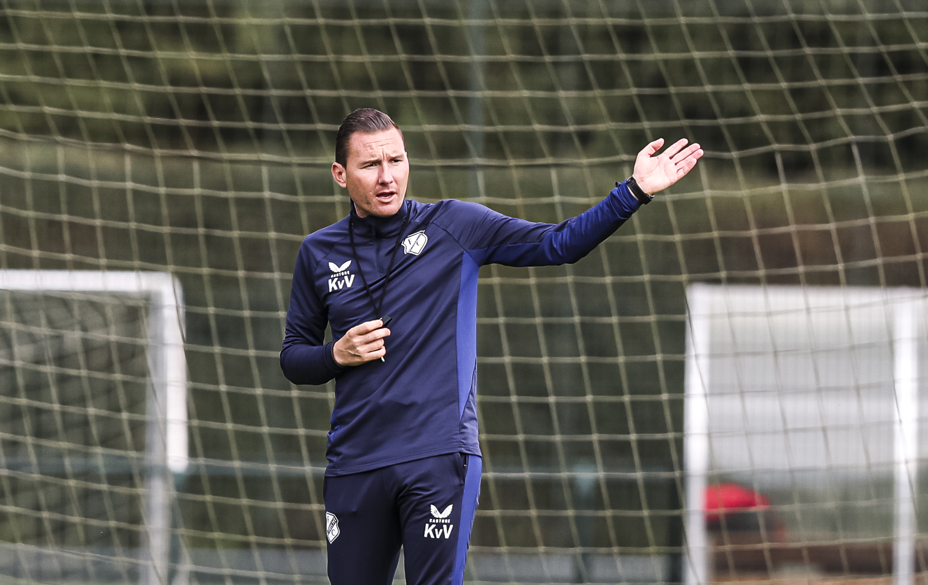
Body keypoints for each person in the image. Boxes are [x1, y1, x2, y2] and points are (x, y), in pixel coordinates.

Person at [280, 108, 701, 585]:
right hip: (355, 464)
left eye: (396, 160)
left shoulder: (454, 224)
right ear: (340, 174)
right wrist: (335, 354)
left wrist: (634, 191)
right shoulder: (318, 251)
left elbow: (558, 244)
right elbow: (293, 357)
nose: (387, 177)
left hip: (438, 458)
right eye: (370, 165)